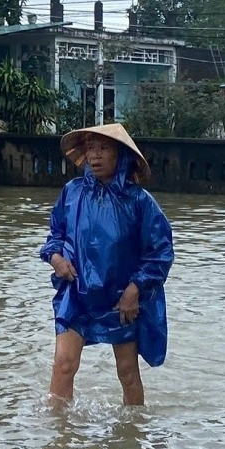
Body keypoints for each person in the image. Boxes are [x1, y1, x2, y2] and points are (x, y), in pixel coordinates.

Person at [40, 122, 175, 406]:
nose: (95, 156)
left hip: (119, 298)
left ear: (120, 155)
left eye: (104, 149)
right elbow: (55, 234)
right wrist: (55, 258)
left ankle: (134, 431)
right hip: (76, 291)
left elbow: (160, 252)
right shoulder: (72, 192)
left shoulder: (140, 201)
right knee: (64, 364)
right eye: (91, 148)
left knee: (126, 373)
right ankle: (57, 436)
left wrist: (134, 289)